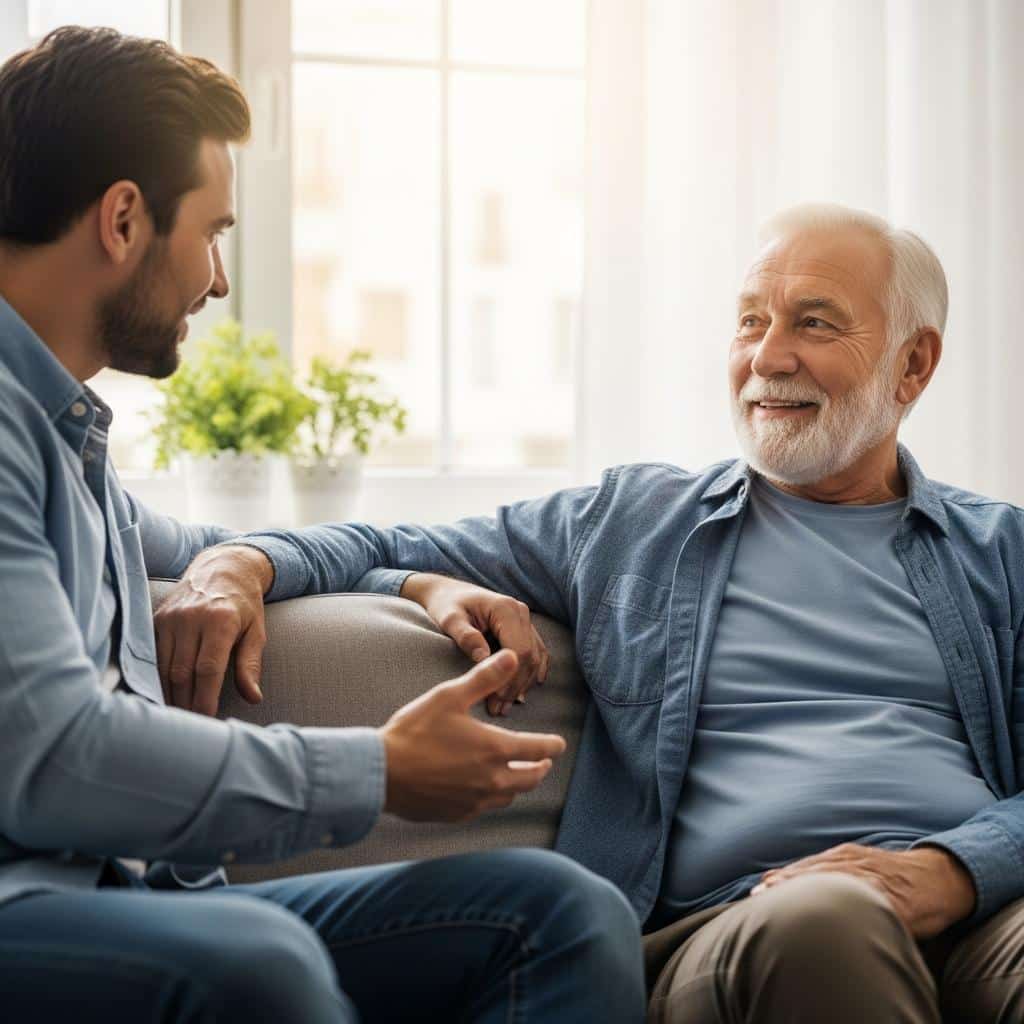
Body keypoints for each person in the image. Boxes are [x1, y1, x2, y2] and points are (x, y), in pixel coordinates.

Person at [174, 202, 1024, 1022]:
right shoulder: (633, 524)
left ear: (913, 365)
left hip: (983, 912)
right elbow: (374, 539)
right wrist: (242, 561)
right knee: (829, 921)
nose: (768, 357)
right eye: (749, 321)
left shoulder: (1001, 552)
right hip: (742, 926)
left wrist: (952, 870)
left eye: (814, 323)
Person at [0, 26, 647, 1023]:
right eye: (212, 233)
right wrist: (377, 768)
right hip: (28, 911)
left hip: (130, 903)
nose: (217, 282)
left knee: (559, 910)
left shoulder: (67, 440)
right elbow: (54, 755)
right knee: (256, 964)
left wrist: (413, 582)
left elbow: (212, 542)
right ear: (124, 219)